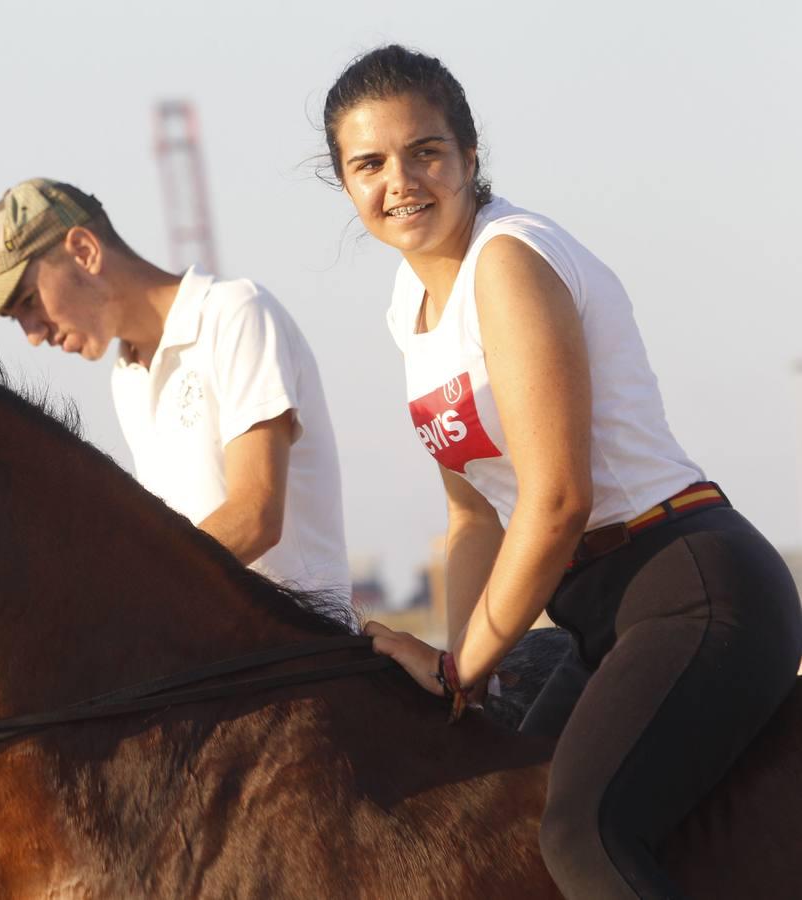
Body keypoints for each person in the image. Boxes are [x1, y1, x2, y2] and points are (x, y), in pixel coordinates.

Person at [322, 45, 802, 898]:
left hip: (690, 587)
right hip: (598, 614)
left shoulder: (506, 263)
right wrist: (455, 678)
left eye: (424, 151)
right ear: (346, 184)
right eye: (369, 163)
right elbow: (474, 517)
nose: (400, 180)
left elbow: (553, 501)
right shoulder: (414, 311)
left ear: (470, 157)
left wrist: (464, 662)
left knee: (581, 834)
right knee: (500, 824)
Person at [0, 178, 351, 598]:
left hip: (304, 652)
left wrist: (123, 596)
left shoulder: (235, 313)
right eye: (16, 319)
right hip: (218, 652)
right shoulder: (126, 377)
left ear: (84, 251)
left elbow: (256, 517)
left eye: (29, 302)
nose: (32, 334)